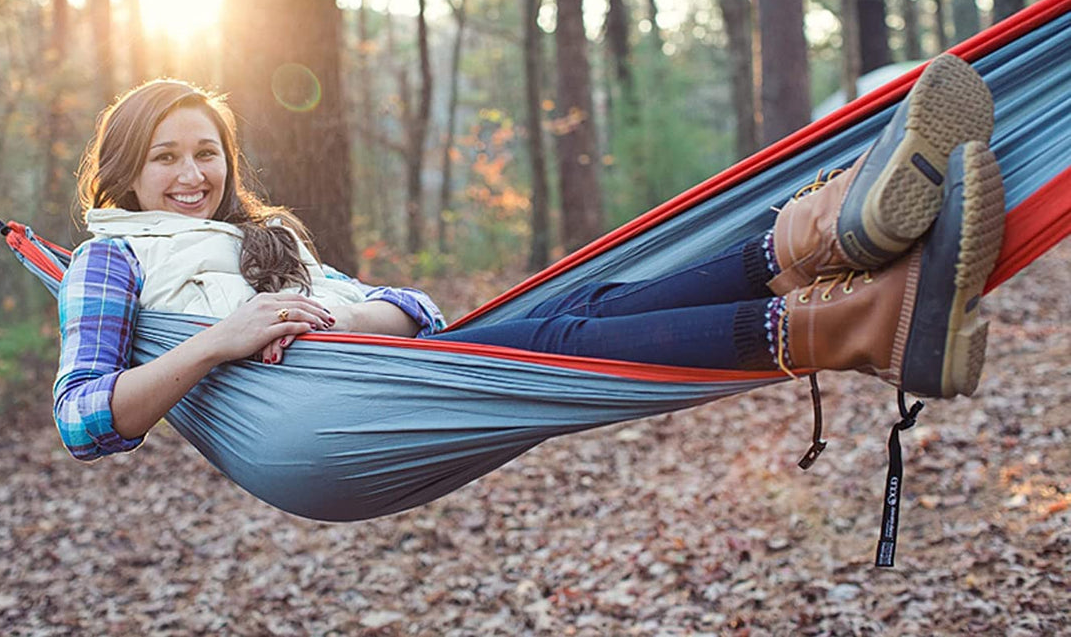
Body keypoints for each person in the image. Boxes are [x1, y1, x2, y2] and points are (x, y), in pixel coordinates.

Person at [54, 54, 1005, 461]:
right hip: (336, 424)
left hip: (396, 368)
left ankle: (835, 250)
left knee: (580, 307)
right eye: (166, 157)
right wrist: (219, 341)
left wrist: (341, 315)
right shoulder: (111, 263)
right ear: (126, 172)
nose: (191, 174)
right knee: (563, 328)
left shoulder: (266, 238)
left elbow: (413, 307)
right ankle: (848, 294)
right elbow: (84, 421)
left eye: (206, 151)